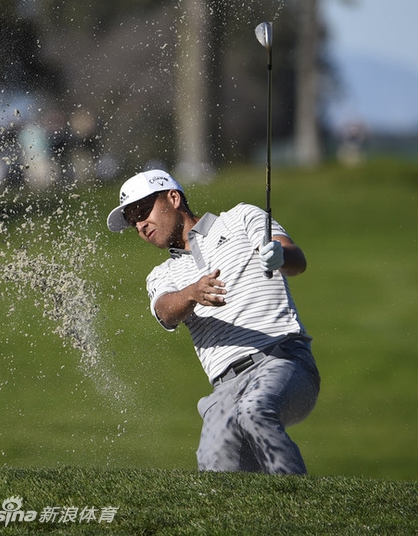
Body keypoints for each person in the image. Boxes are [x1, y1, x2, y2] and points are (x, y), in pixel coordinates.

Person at [107, 169, 320, 475]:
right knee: (214, 463)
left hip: (283, 359)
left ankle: (299, 502)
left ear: (173, 198)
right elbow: (166, 311)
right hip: (225, 388)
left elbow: (295, 259)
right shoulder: (161, 275)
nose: (140, 224)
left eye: (143, 211)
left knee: (254, 411)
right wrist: (192, 293)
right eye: (132, 220)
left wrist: (279, 257)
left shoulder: (240, 218)